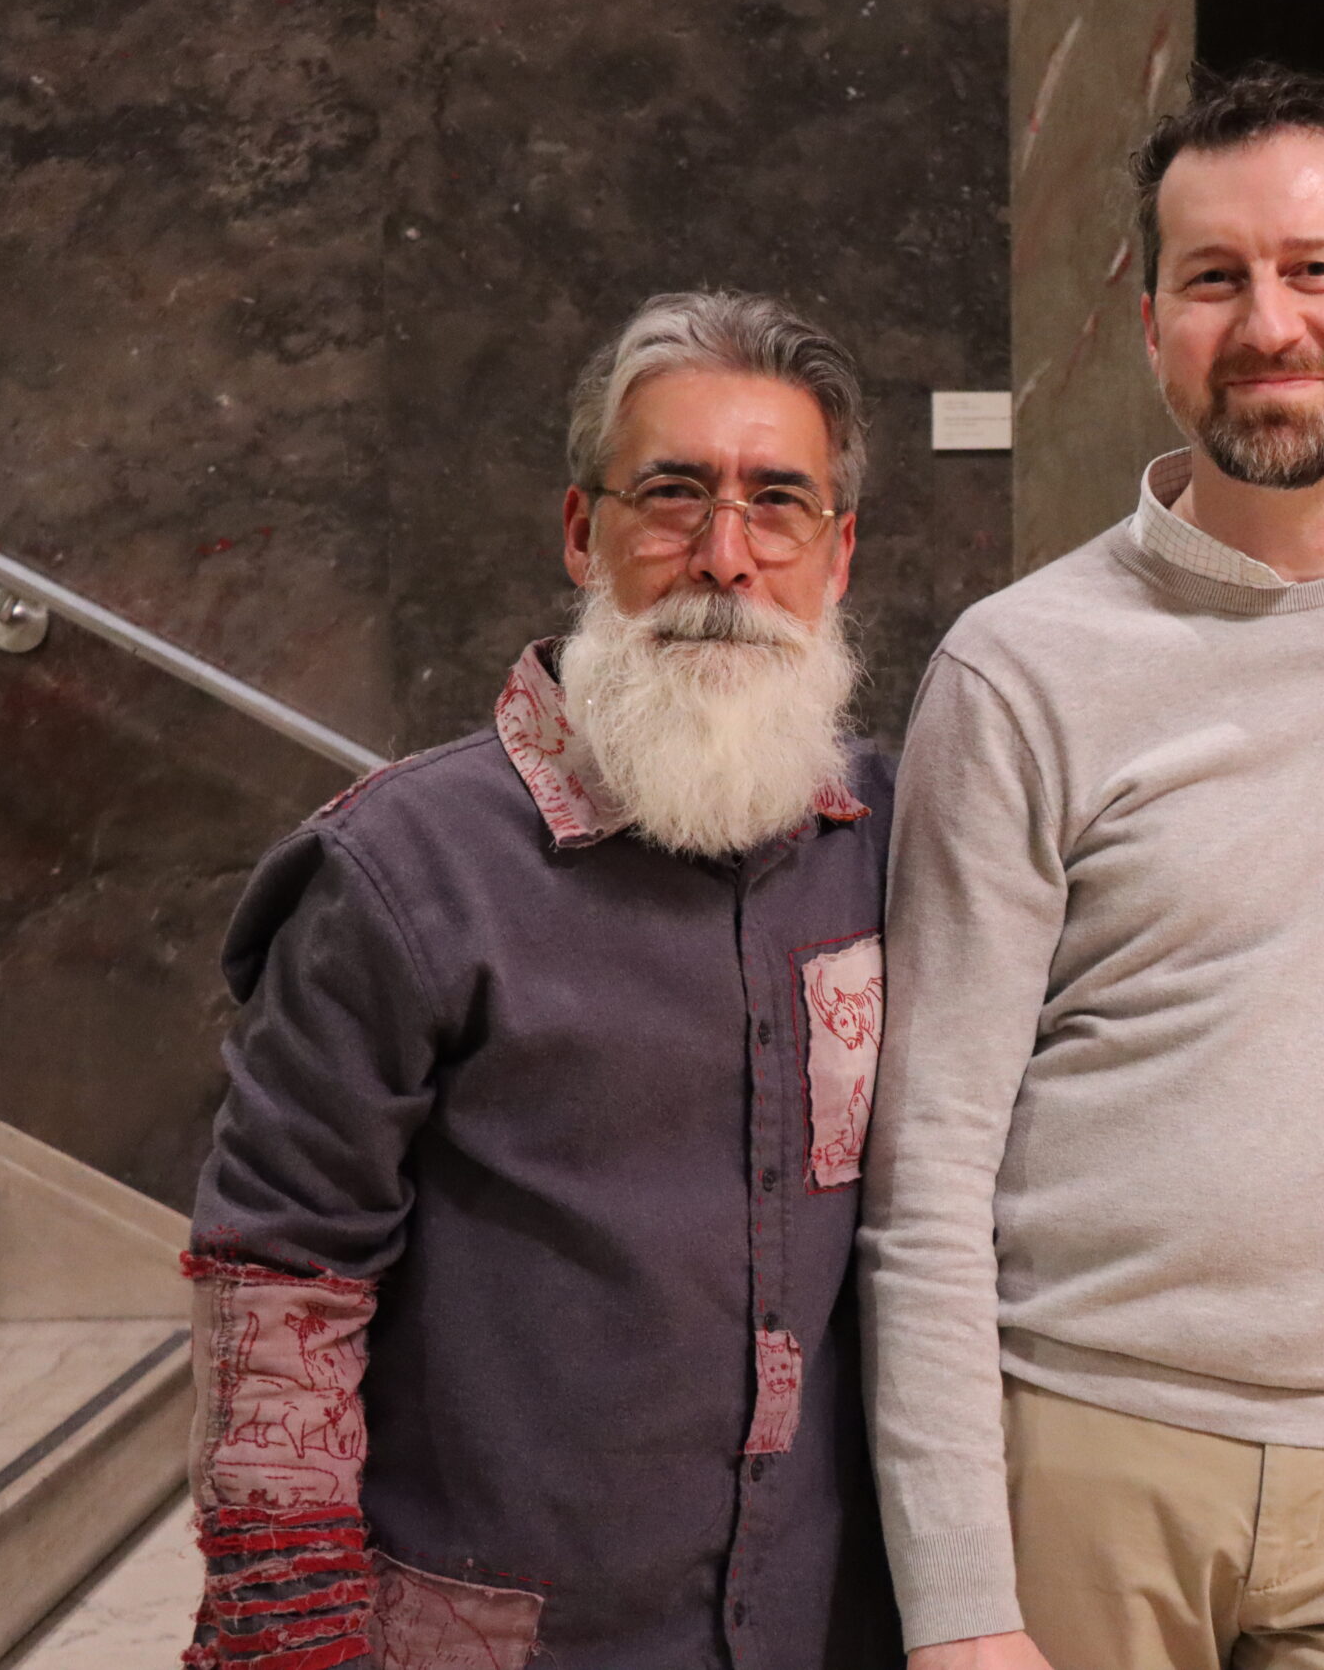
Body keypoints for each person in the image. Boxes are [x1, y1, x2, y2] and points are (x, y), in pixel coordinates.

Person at [858, 65, 1324, 1670]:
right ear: (1150, 329)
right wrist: (959, 1598)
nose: (1269, 322)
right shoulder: (1019, 668)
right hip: (1088, 1451)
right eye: (1214, 278)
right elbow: (926, 1166)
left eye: (1314, 268)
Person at [184, 291, 899, 1670]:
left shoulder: (888, 842)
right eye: (673, 496)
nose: (725, 556)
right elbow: (277, 1282)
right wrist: (291, 1641)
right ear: (582, 531)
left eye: (778, 503)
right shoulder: (404, 869)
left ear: (838, 553)